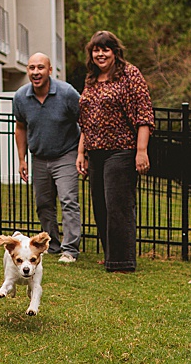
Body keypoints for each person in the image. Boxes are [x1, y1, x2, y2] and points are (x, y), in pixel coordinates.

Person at [76, 31, 154, 273]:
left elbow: (144, 114)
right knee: (100, 206)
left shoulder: (130, 74)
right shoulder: (91, 79)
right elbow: (86, 121)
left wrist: (141, 151)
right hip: (96, 151)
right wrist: (82, 153)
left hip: (121, 151)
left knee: (118, 206)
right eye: (96, 50)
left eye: (105, 49)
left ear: (115, 52)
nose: (100, 54)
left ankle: (122, 262)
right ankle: (111, 254)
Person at [12, 52, 82, 263]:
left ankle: (70, 250)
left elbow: (85, 122)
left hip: (66, 154)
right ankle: (51, 245)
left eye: (40, 67)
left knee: (68, 200)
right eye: (32, 68)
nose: (36, 72)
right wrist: (22, 159)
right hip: (39, 157)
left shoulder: (66, 93)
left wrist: (81, 153)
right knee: (43, 204)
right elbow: (20, 128)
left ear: (50, 70)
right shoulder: (21, 97)